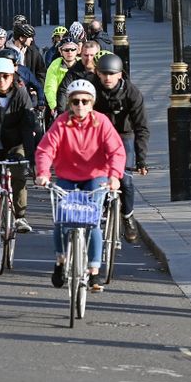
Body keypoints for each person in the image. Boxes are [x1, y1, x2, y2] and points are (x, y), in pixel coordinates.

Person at [35, 79, 125, 292]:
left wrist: (114, 176)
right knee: (61, 219)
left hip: (95, 176)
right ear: (70, 103)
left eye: (85, 101)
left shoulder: (102, 122)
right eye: (76, 101)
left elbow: (116, 151)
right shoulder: (61, 123)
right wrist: (43, 174)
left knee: (92, 220)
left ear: (92, 103)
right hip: (67, 175)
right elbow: (45, 150)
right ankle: (60, 261)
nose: (80, 106)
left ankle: (94, 272)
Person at [82, 52, 149, 243]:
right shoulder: (92, 88)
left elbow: (142, 127)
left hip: (123, 137)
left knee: (125, 180)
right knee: (95, 177)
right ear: (98, 72)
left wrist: (141, 159)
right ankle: (99, 208)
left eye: (112, 74)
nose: (107, 78)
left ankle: (127, 217)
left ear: (120, 74)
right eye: (104, 73)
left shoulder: (132, 93)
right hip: (97, 136)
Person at [0, 57, 39, 247]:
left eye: (6, 76)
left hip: (16, 144)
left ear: (12, 77)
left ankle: (20, 217)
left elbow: (28, 127)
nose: (2, 81)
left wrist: (31, 158)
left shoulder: (21, 94)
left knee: (20, 177)